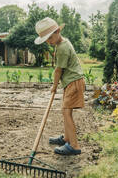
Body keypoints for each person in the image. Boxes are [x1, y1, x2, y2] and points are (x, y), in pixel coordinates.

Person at [34, 17, 85, 155]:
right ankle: (67, 138)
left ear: (57, 31)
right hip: (71, 82)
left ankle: (74, 145)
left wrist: (54, 86)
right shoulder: (62, 43)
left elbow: (58, 70)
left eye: (50, 39)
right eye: (47, 40)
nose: (49, 42)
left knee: (67, 113)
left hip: (73, 82)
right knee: (65, 111)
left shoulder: (62, 48)